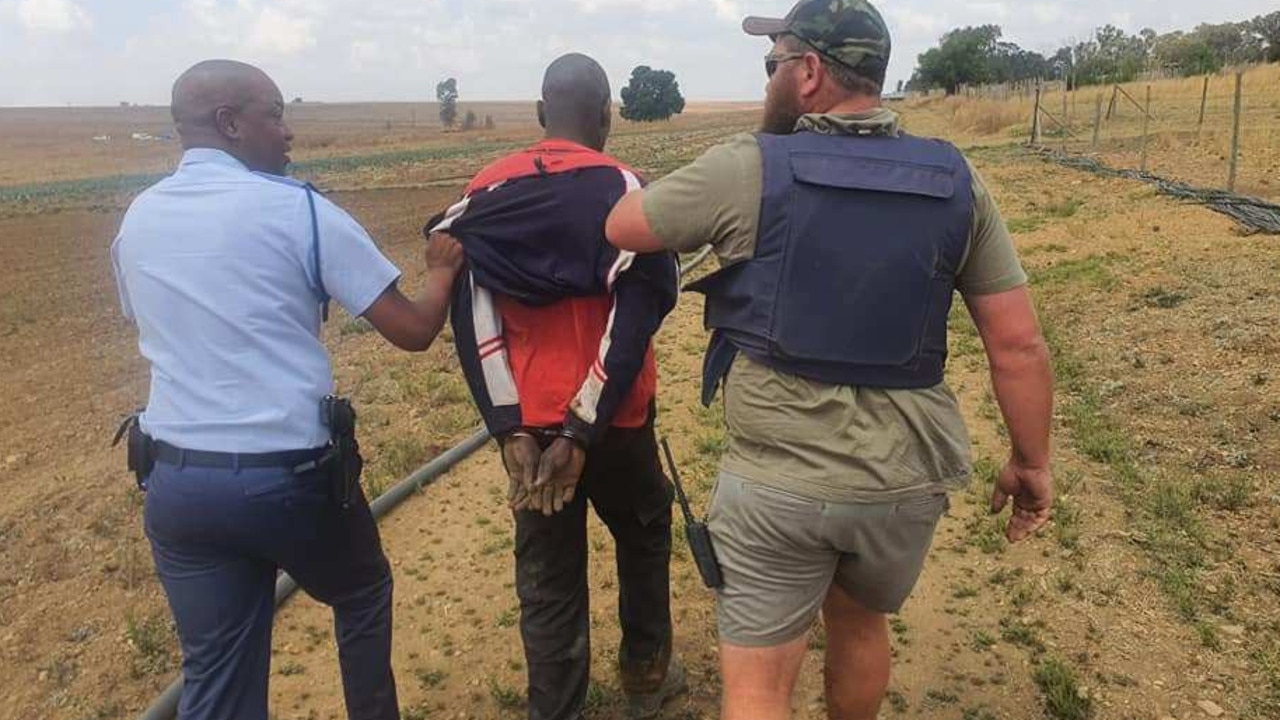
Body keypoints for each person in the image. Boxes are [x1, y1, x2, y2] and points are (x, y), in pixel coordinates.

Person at [604, 2, 1056, 719]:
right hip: (900, 483)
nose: (769, 79)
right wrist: (1031, 463)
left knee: (757, 682)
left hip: (777, 485)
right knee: (860, 625)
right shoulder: (957, 180)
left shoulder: (749, 166)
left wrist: (762, 151)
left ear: (809, 72)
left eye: (773, 65)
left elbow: (624, 223)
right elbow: (1018, 343)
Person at [111, 59, 463, 720]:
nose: (288, 131)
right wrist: (440, 271)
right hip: (288, 480)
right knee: (360, 591)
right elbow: (413, 332)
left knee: (216, 672)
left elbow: (154, 321)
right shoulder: (299, 211)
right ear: (230, 123)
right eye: (274, 114)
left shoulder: (138, 218)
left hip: (177, 488)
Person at [426, 54, 685, 720]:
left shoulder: (482, 194)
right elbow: (640, 307)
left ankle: (556, 709)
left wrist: (509, 425)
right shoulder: (628, 191)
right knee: (644, 531)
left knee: (547, 578)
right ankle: (646, 677)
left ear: (542, 115)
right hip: (618, 420)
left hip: (528, 432)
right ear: (607, 117)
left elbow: (471, 309)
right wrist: (584, 426)